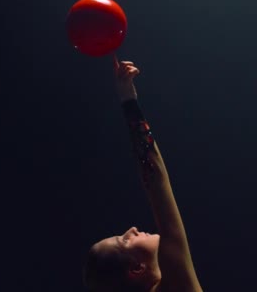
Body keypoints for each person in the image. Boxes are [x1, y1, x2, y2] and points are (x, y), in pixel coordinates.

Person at [82, 56, 203, 292]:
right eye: (124, 240)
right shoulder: (177, 285)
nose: (132, 230)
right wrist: (128, 100)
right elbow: (156, 181)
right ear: (136, 268)